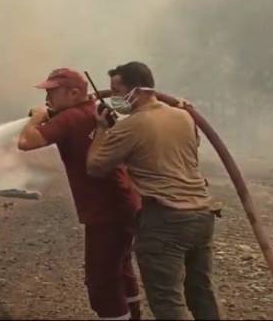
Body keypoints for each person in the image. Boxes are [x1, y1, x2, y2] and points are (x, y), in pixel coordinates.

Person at [86, 61, 222, 320]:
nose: (113, 97)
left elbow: (95, 166)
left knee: (167, 303)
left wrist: (102, 129)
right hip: (202, 216)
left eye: (116, 90)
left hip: (164, 222)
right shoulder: (183, 116)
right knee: (201, 293)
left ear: (135, 90)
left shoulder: (132, 126)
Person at [18, 67, 142, 320]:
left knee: (101, 281)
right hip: (125, 202)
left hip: (105, 210)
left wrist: (37, 118)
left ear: (74, 93)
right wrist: (49, 113)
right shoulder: (91, 110)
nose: (47, 98)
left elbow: (26, 142)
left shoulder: (71, 117)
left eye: (52, 92)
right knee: (121, 269)